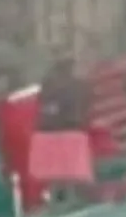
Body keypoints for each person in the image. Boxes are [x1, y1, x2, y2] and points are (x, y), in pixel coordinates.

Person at [32, 56, 93, 200]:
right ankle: (74, 194)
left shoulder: (49, 86)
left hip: (52, 130)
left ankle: (59, 195)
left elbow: (45, 107)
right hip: (71, 127)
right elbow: (86, 100)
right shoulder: (76, 85)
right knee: (72, 163)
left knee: (57, 166)